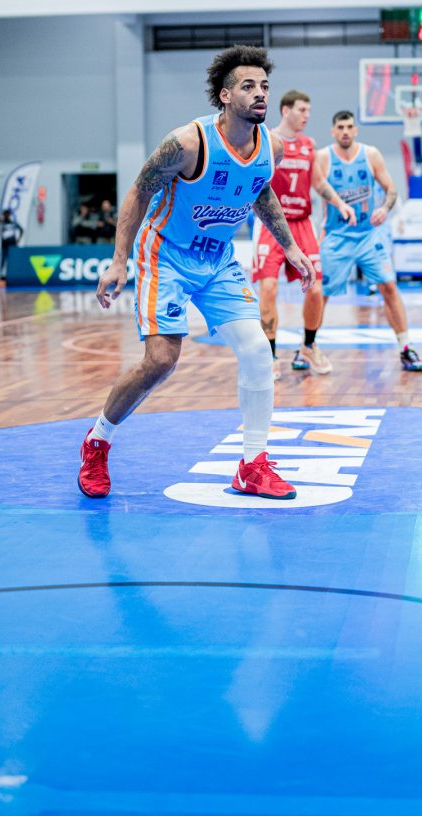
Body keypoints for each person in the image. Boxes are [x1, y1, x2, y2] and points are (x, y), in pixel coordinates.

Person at [78, 45, 315, 502]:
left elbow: (260, 190)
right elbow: (139, 191)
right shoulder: (187, 143)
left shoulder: (272, 147)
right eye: (248, 86)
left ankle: (252, 466)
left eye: (265, 86)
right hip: (165, 255)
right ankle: (98, 441)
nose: (260, 94)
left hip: (218, 259)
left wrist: (289, 246)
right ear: (225, 96)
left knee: (258, 350)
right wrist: (118, 259)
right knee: (161, 361)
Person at [253, 89, 355, 380]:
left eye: (309, 110)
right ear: (286, 111)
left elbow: (318, 183)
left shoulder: (309, 145)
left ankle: (309, 346)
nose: (307, 116)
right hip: (272, 223)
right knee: (268, 288)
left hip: (302, 224)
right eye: (301, 110)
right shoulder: (265, 139)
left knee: (316, 289)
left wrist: (339, 203)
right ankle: (270, 355)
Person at [317, 110, 422, 372]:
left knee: (389, 287)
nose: (345, 131)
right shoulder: (323, 157)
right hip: (337, 235)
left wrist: (385, 209)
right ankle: (307, 346)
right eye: (340, 127)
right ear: (333, 131)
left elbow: (391, 189)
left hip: (368, 235)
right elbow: (318, 190)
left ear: (356, 130)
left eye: (349, 127)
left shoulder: (370, 154)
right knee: (320, 294)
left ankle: (406, 347)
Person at [0, 208, 24, 278]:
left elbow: (21, 230)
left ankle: (13, 276)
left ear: (9, 215)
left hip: (12, 246)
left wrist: (18, 240)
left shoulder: (13, 223)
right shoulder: (2, 224)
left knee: (12, 262)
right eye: (5, 214)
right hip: (4, 246)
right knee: (1, 262)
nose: (6, 216)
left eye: (7, 214)